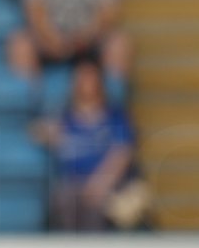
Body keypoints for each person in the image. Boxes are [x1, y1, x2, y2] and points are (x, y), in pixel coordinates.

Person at [31, 57, 138, 231]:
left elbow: (122, 152)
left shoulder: (114, 116)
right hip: (73, 184)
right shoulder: (65, 118)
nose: (86, 83)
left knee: (97, 203)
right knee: (64, 198)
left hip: (107, 184)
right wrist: (47, 132)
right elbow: (38, 131)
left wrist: (100, 183)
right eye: (81, 77)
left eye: (90, 77)